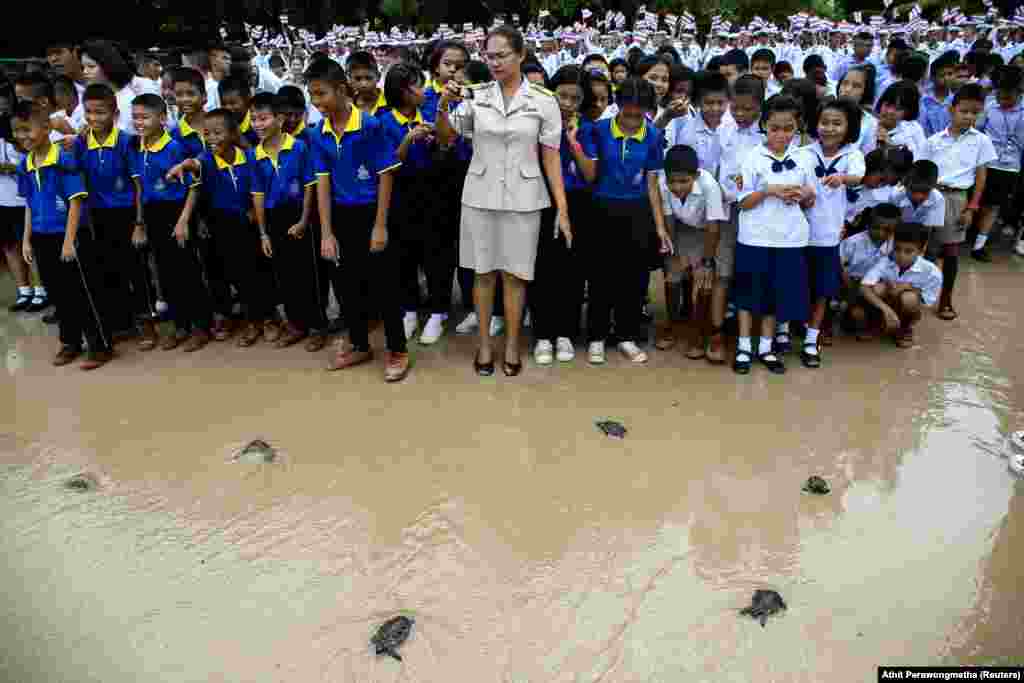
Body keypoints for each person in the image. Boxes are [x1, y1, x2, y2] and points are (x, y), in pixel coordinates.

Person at [435, 25, 572, 377]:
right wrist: (444, 105)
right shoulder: (476, 96)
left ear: (520, 55)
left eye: (501, 55)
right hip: (479, 196)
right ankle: (483, 344)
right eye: (488, 56)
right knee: (483, 274)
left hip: (525, 199)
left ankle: (511, 344)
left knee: (515, 275)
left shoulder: (544, 101)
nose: (493, 62)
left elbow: (551, 158)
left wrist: (563, 209)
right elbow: (448, 137)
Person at [304, 58, 410, 382]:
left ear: (340, 90)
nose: (316, 102)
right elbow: (322, 181)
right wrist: (326, 232)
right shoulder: (317, 133)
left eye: (321, 94)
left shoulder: (369, 126)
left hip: (372, 212)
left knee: (383, 285)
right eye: (312, 95)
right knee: (347, 286)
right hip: (339, 216)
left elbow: (385, 176)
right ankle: (360, 344)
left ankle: (397, 349)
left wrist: (380, 226)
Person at [574, 77, 670, 365]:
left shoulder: (653, 136)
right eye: (626, 113)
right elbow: (590, 174)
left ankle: (627, 336)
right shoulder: (598, 131)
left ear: (648, 111)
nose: (631, 121)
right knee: (602, 276)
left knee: (634, 277)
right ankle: (596, 336)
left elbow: (652, 184)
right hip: (602, 209)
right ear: (617, 107)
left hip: (637, 212)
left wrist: (660, 227)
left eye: (638, 115)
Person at [14, 101, 113, 369]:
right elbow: (28, 203)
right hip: (42, 237)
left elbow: (76, 202)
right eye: (17, 131)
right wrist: (26, 238)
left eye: (27, 129)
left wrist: (69, 242)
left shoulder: (63, 160)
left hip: (69, 236)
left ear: (46, 127)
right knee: (59, 294)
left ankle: (99, 345)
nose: (22, 136)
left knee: (82, 292)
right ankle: (70, 342)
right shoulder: (25, 164)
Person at [733, 94, 816, 375]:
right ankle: (744, 347)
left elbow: (811, 200)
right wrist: (769, 191)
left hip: (789, 239)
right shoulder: (751, 157)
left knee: (774, 296)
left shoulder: (805, 158)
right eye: (775, 128)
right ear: (764, 126)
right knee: (747, 294)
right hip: (755, 237)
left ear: (798, 128)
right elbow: (742, 202)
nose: (781, 134)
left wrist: (805, 193)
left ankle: (766, 348)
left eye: (788, 128)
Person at [130, 93, 211, 352]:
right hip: (153, 213)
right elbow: (140, 189)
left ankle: (200, 326)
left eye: (145, 117)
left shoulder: (174, 147)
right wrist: (140, 222)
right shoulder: (138, 147)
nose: (139, 122)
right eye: (135, 117)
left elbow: (194, 186)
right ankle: (180, 326)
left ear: (163, 118)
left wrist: (184, 220)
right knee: (164, 272)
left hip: (177, 212)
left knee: (187, 270)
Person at [247, 92, 324, 351]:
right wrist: (263, 233)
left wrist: (303, 220)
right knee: (285, 276)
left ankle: (316, 327)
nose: (257, 124)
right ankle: (296, 325)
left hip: (300, 216)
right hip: (273, 219)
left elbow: (309, 186)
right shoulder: (253, 155)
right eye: (253, 119)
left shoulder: (299, 147)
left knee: (307, 276)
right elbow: (257, 195)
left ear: (279, 119)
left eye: (263, 118)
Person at [73, 83, 149, 345]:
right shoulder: (82, 143)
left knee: (136, 271)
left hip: (127, 215)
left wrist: (139, 222)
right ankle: (122, 323)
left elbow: (139, 185)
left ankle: (146, 325)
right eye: (89, 112)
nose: (94, 118)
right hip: (97, 217)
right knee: (108, 271)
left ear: (114, 114)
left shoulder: (126, 141)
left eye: (100, 112)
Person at [796, 97, 865, 365]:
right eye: (824, 122)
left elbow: (858, 177)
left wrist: (842, 178)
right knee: (797, 285)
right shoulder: (803, 153)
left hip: (828, 236)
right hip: (797, 234)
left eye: (837, 123)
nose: (829, 128)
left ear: (849, 127)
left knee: (823, 289)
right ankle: (784, 333)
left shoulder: (852, 155)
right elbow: (793, 182)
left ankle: (812, 340)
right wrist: (803, 193)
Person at [920, 83, 996, 321]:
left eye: (975, 112)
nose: (969, 117)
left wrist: (972, 207)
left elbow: (981, 177)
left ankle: (946, 298)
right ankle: (922, 293)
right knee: (926, 249)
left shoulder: (981, 140)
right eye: (964, 111)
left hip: (957, 198)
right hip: (931, 195)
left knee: (951, 252)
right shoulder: (933, 141)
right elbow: (921, 170)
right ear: (952, 110)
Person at [531, 65, 589, 366]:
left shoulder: (587, 127)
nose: (567, 103)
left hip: (577, 203)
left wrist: (573, 142)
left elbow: (591, 174)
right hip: (541, 202)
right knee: (542, 268)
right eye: (562, 96)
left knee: (571, 270)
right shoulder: (536, 124)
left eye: (575, 98)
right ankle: (542, 333)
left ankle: (566, 332)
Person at [659, 144, 728, 361]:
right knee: (672, 273)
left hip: (713, 229)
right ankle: (671, 325)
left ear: (696, 175)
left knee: (705, 277)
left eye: (683, 181)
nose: (677, 187)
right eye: (672, 181)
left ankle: (699, 333)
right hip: (683, 227)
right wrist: (675, 252)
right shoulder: (663, 183)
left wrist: (706, 262)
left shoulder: (709, 185)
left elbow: (713, 227)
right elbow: (669, 219)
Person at [860, 222, 942, 348]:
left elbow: (927, 303)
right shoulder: (885, 262)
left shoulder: (932, 272)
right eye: (897, 249)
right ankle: (877, 322)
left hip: (909, 307)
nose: (901, 256)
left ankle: (904, 329)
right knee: (877, 288)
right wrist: (886, 310)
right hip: (887, 305)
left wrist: (908, 287)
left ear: (921, 250)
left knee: (909, 298)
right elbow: (864, 287)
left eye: (908, 251)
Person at [976, 66, 1024, 262]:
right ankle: (971, 236)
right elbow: (977, 130)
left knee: (994, 206)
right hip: (985, 163)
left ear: (1019, 91)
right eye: (1000, 95)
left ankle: (979, 245)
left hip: (1011, 166)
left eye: (1008, 96)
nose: (1003, 100)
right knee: (979, 202)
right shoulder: (989, 105)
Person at [841, 202, 898, 340]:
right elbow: (839, 265)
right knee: (857, 315)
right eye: (876, 228)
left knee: (882, 289)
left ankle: (881, 317)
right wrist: (849, 289)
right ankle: (854, 314)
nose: (881, 233)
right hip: (854, 287)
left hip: (880, 288)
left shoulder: (896, 245)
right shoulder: (853, 242)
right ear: (868, 225)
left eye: (887, 230)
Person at [79, 40, 137, 132]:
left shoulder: (128, 102)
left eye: (91, 66)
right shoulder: (90, 96)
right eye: (83, 67)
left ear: (108, 66)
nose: (85, 72)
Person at [870, 80, 927, 160]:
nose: (890, 112)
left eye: (898, 108)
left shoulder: (914, 128)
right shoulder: (868, 125)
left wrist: (891, 146)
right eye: (887, 105)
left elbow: (922, 158)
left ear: (907, 112)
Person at [219, 74, 259, 148]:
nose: (228, 108)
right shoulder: (219, 124)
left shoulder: (260, 125)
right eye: (223, 104)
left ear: (248, 99)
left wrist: (241, 140)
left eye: (233, 103)